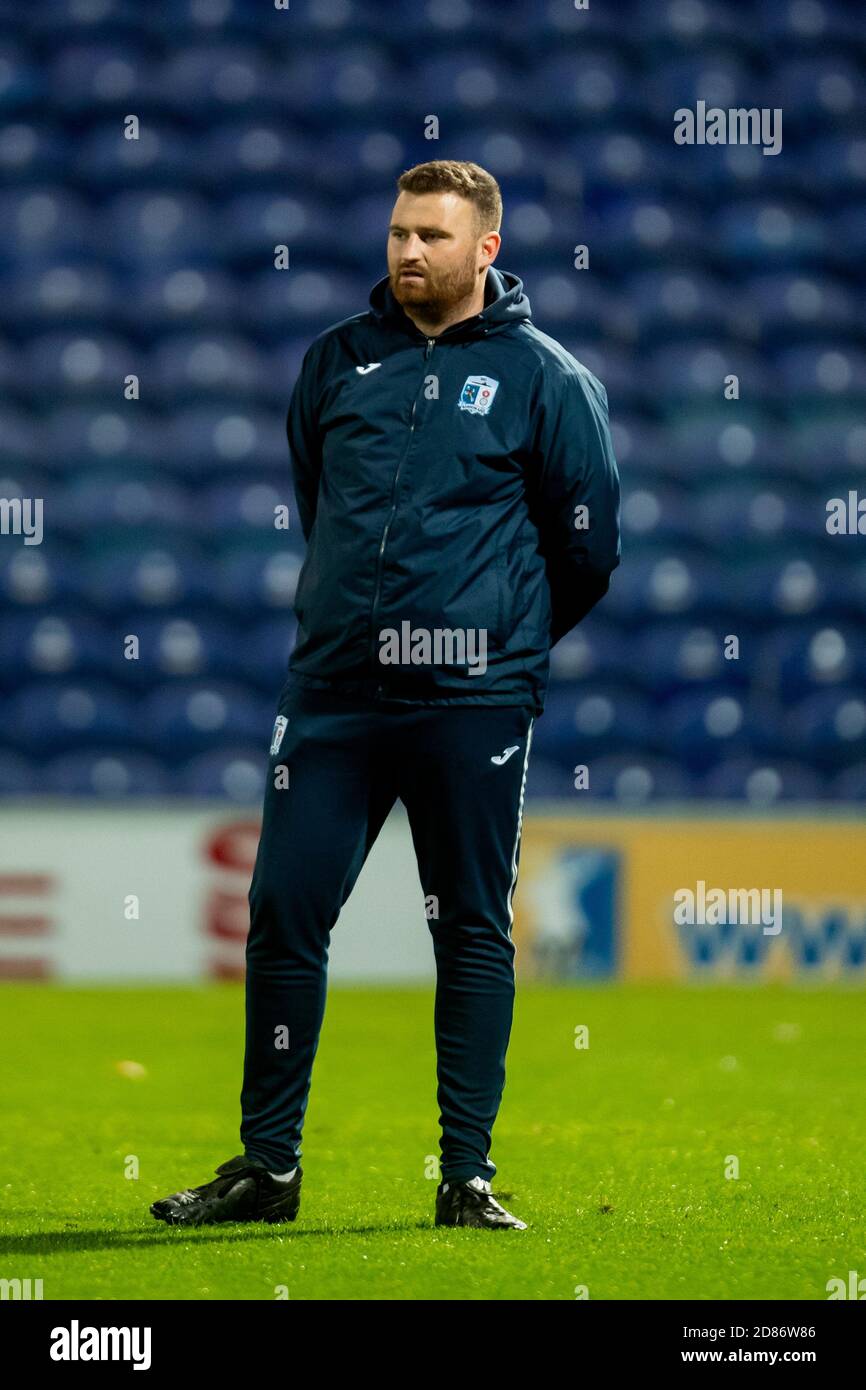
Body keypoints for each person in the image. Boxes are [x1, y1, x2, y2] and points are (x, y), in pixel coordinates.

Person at [151, 159, 621, 1231]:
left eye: (433, 237)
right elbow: (320, 510)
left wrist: (498, 648)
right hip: (330, 696)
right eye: (399, 232)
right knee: (281, 914)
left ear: (485, 251)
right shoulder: (334, 363)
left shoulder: (549, 381)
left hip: (471, 703)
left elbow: (588, 551)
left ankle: (466, 1175)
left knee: (468, 928)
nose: (409, 252)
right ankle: (266, 1168)